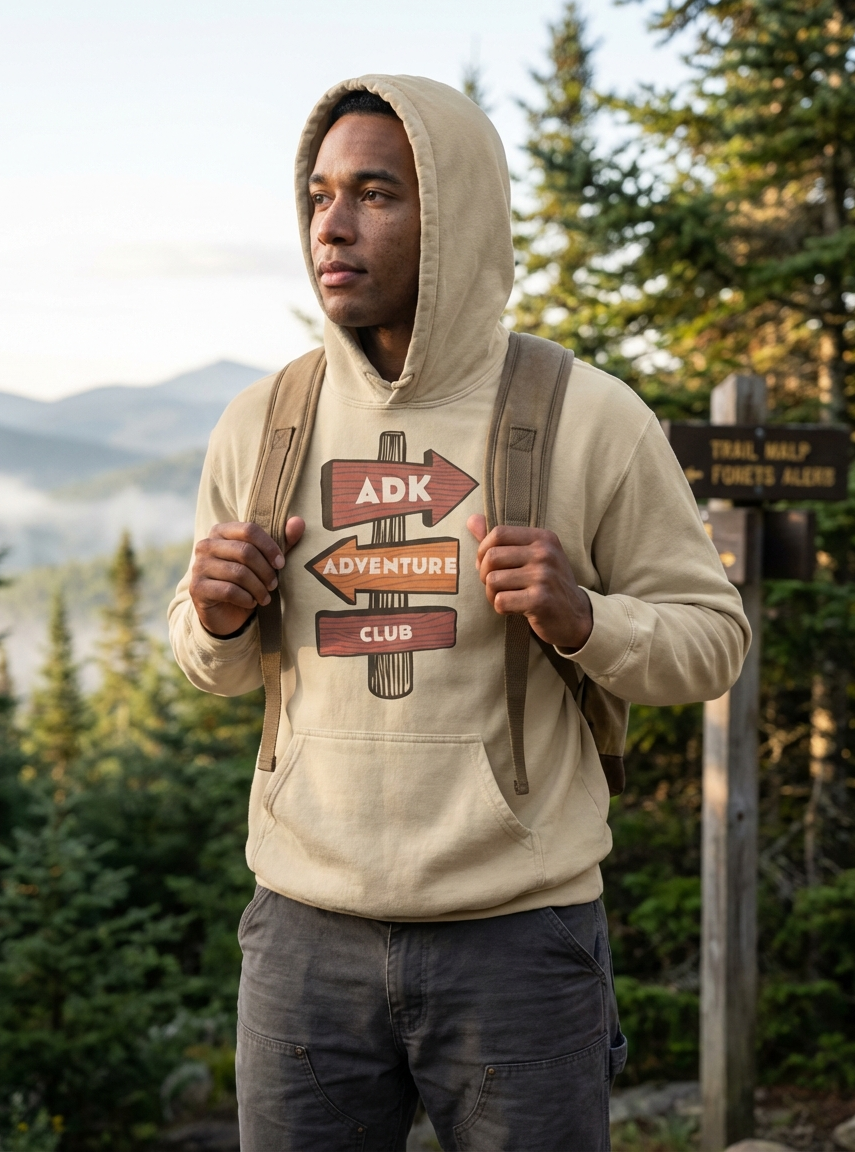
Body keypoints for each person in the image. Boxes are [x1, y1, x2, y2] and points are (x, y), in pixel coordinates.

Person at [168, 76, 750, 1152]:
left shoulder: (587, 417)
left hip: (520, 946)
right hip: (302, 944)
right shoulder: (264, 424)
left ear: (456, 213)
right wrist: (211, 617)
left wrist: (584, 619)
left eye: (374, 194)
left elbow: (713, 641)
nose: (330, 226)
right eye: (317, 195)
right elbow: (213, 668)